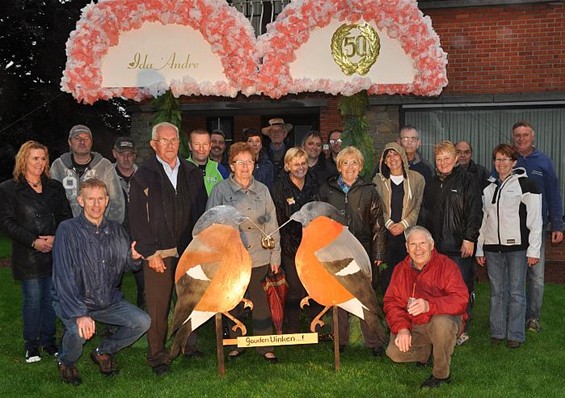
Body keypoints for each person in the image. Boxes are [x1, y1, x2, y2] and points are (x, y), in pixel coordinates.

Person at [52, 179, 150, 386]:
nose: (96, 205)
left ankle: (103, 350)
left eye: (100, 199)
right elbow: (63, 276)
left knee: (142, 322)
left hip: (107, 300)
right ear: (81, 200)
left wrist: (133, 258)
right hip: (75, 301)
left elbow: (129, 267)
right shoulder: (67, 230)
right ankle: (66, 360)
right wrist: (80, 314)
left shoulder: (116, 230)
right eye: (90, 199)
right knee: (77, 333)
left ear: (107, 201)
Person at [129, 122, 207, 375]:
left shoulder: (192, 172)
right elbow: (137, 217)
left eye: (174, 140)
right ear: (154, 144)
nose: (170, 145)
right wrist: (149, 252)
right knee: (158, 307)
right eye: (164, 140)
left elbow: (201, 211)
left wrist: (201, 246)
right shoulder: (143, 175)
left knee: (189, 302)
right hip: (159, 252)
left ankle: (187, 346)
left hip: (188, 249)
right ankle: (158, 356)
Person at [207, 142, 281, 363]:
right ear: (231, 165)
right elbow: (211, 223)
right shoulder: (220, 190)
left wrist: (275, 255)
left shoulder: (263, 190)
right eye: (240, 162)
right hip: (232, 256)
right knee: (235, 297)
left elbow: (272, 224)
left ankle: (264, 345)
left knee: (258, 296)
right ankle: (237, 342)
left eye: (249, 162)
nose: (245, 166)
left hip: (259, 255)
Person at [0, 141, 72, 363]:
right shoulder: (8, 189)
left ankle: (49, 341)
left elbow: (66, 216)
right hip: (27, 254)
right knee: (32, 299)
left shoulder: (55, 187)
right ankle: (31, 345)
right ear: (23, 160)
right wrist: (33, 241)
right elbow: (6, 222)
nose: (40, 163)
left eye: (43, 158)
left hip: (53, 251)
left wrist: (56, 237)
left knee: (51, 298)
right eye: (35, 158)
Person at [319, 146, 387, 355]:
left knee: (365, 296)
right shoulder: (326, 190)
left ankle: (374, 342)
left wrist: (377, 254)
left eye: (355, 163)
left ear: (361, 166)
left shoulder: (369, 190)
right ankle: (340, 340)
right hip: (335, 251)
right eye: (346, 163)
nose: (350, 167)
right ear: (339, 166)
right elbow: (319, 222)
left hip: (362, 250)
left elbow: (378, 224)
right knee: (338, 295)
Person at [384, 226, 468, 389]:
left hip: (443, 319)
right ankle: (428, 352)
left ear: (431, 245)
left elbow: (461, 299)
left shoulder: (446, 266)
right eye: (413, 244)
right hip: (416, 324)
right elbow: (391, 303)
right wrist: (402, 329)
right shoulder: (400, 270)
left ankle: (441, 375)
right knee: (394, 352)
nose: (418, 249)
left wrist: (429, 305)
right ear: (407, 248)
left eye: (422, 243)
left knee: (441, 324)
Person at [476, 144, 542, 348]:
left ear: (514, 162)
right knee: (497, 291)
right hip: (492, 248)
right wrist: (480, 247)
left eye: (505, 159)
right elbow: (483, 220)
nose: (500, 163)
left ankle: (515, 334)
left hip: (518, 249)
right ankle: (497, 331)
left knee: (516, 291)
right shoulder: (488, 188)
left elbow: (535, 220)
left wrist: (533, 250)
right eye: (497, 159)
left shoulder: (527, 185)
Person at [418, 140, 482, 346]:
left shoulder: (468, 180)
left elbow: (474, 211)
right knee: (438, 290)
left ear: (456, 159)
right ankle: (441, 327)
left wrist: (470, 238)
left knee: (460, 289)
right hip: (437, 248)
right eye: (439, 159)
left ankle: (461, 329)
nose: (443, 162)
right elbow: (425, 214)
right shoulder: (432, 183)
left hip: (459, 247)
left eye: (447, 158)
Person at [512, 121, 564, 333]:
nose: (521, 139)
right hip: (511, 229)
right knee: (513, 275)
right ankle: (513, 314)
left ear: (532, 137)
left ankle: (533, 317)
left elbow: (553, 193)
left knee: (537, 276)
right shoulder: (506, 158)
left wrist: (557, 224)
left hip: (537, 228)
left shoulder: (543, 161)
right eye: (517, 135)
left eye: (525, 135)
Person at [273, 147, 321, 333]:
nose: (300, 167)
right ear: (287, 166)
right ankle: (292, 326)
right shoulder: (279, 187)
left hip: (312, 245)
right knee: (293, 288)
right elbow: (277, 218)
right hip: (289, 246)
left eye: (303, 163)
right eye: (296, 164)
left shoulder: (315, 184)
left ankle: (315, 323)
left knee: (313, 285)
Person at [373, 142, 425, 295]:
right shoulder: (377, 181)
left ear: (402, 157)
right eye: (388, 155)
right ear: (384, 160)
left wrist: (403, 224)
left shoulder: (417, 179)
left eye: (395, 154)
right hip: (386, 236)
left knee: (409, 275)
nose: (392, 158)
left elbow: (418, 205)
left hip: (408, 235)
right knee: (388, 277)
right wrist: (389, 223)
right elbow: (377, 207)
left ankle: (409, 312)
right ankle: (390, 312)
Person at [51, 124, 125, 223]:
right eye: (77, 138)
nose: (82, 142)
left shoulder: (104, 166)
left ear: (91, 142)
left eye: (86, 138)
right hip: (66, 230)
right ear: (70, 142)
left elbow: (117, 201)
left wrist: (110, 229)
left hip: (98, 229)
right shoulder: (58, 166)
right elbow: (51, 201)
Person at [112, 136, 144, 309]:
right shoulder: (106, 176)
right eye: (122, 153)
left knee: (144, 280)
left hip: (139, 234)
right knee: (113, 281)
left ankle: (144, 316)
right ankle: (113, 321)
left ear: (135, 156)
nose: (126, 158)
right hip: (114, 233)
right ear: (114, 154)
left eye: (130, 154)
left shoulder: (144, 175)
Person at [187, 128, 229, 195]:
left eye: (205, 144)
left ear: (210, 146)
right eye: (197, 144)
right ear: (190, 146)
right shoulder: (181, 168)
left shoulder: (219, 169)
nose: (201, 149)